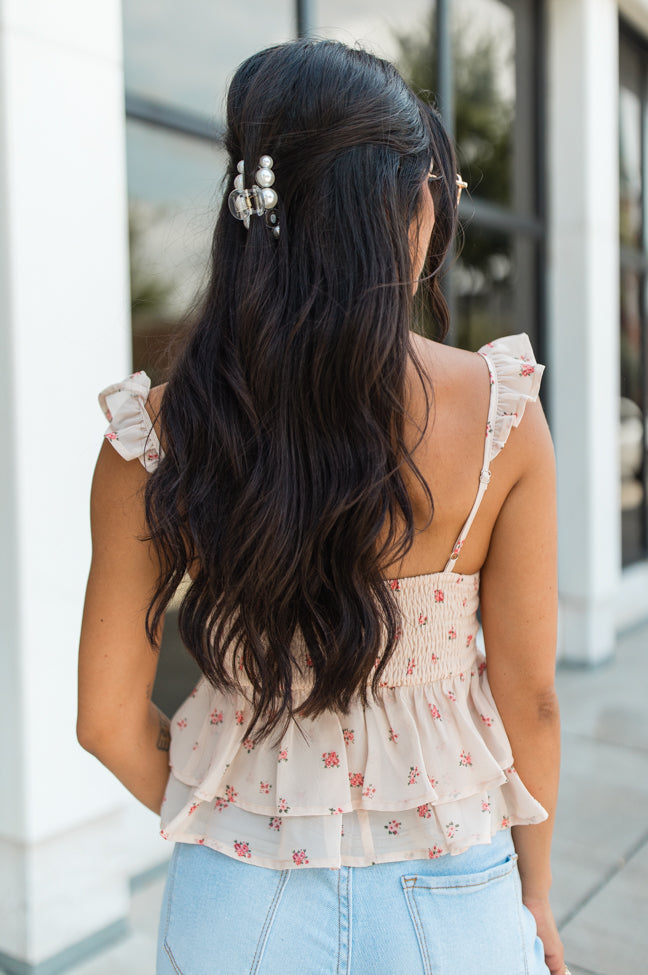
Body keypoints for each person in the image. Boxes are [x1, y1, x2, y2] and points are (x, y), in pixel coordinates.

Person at [77, 39, 567, 975]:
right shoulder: (500, 417)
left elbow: (103, 719)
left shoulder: (155, 434)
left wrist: (225, 809)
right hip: (453, 885)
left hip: (233, 899)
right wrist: (535, 895)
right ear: (409, 213)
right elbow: (531, 700)